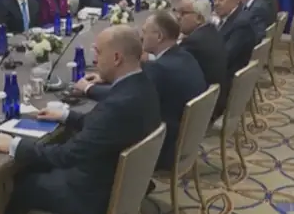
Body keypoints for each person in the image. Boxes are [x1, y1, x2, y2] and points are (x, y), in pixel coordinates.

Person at [0, 26, 161, 214]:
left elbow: (67, 155)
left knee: (22, 184)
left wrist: (15, 145)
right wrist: (66, 116)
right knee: (35, 167)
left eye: (98, 52)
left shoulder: (118, 104)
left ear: (116, 58)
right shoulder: (142, 84)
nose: (94, 58)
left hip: (93, 198)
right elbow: (105, 127)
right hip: (118, 184)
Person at [79, 12, 205, 170]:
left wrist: (87, 88)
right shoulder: (184, 56)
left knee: (99, 139)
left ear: (159, 37)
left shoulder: (159, 68)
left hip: (163, 149)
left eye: (144, 32)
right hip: (186, 140)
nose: (141, 37)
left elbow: (124, 95)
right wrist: (110, 77)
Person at [176, 0, 230, 118]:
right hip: (216, 100)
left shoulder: (194, 43)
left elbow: (173, 68)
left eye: (183, 13)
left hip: (205, 111)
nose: (177, 17)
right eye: (177, 11)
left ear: (199, 18)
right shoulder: (211, 31)